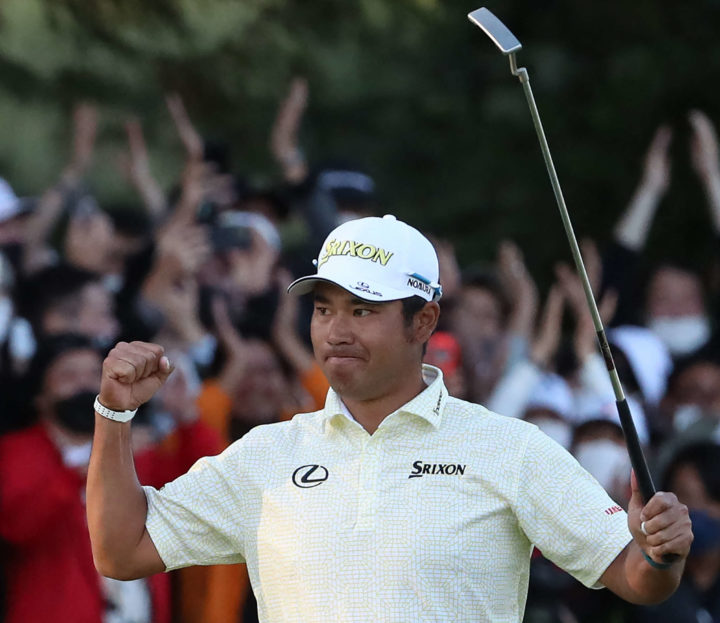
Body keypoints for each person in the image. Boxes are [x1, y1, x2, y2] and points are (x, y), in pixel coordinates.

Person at [87, 215, 693, 622]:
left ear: (424, 321)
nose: (335, 330)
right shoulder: (265, 455)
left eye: (363, 309)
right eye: (324, 309)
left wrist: (661, 551)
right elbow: (123, 550)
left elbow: (637, 577)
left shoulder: (509, 448)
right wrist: (114, 413)